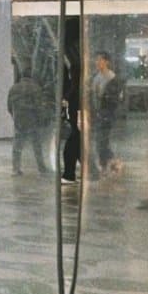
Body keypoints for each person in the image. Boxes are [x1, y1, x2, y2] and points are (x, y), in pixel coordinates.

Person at [7, 65, 49, 175]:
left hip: (19, 120)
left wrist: (15, 116)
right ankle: (41, 168)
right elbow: (39, 106)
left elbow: (9, 106)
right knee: (37, 146)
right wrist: (42, 119)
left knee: (17, 146)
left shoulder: (14, 88)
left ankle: (16, 169)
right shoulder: (35, 88)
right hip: (32, 120)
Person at [91, 51, 124, 174]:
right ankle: (110, 162)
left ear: (107, 62)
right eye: (96, 60)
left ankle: (106, 164)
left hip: (106, 114)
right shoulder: (96, 77)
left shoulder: (112, 78)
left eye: (100, 60)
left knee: (101, 141)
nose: (97, 62)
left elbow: (114, 99)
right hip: (98, 113)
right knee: (101, 141)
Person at [61, 18, 82, 185]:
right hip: (77, 103)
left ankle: (72, 171)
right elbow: (75, 82)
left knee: (77, 136)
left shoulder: (67, 53)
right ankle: (69, 172)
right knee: (76, 136)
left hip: (73, 102)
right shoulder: (74, 55)